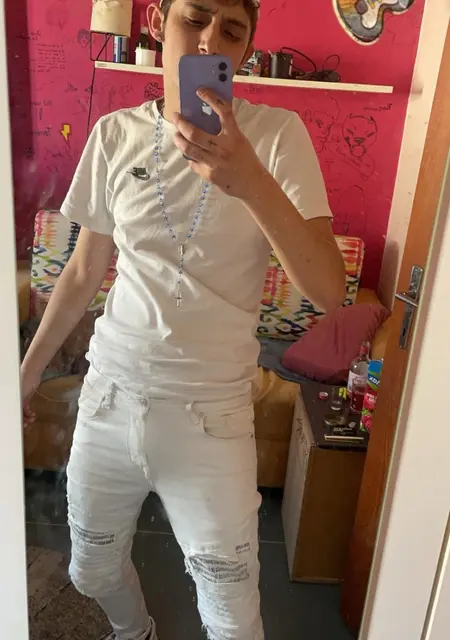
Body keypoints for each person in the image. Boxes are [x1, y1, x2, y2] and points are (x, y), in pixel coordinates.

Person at [21, 1, 346, 639]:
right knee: (90, 570)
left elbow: (329, 291)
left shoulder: (277, 137)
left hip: (211, 416)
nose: (209, 40)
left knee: (231, 616)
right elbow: (84, 271)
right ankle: (135, 631)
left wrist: (250, 179)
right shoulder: (114, 134)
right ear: (156, 24)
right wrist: (26, 373)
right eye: (193, 18)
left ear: (246, 52)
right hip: (109, 397)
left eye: (232, 30)